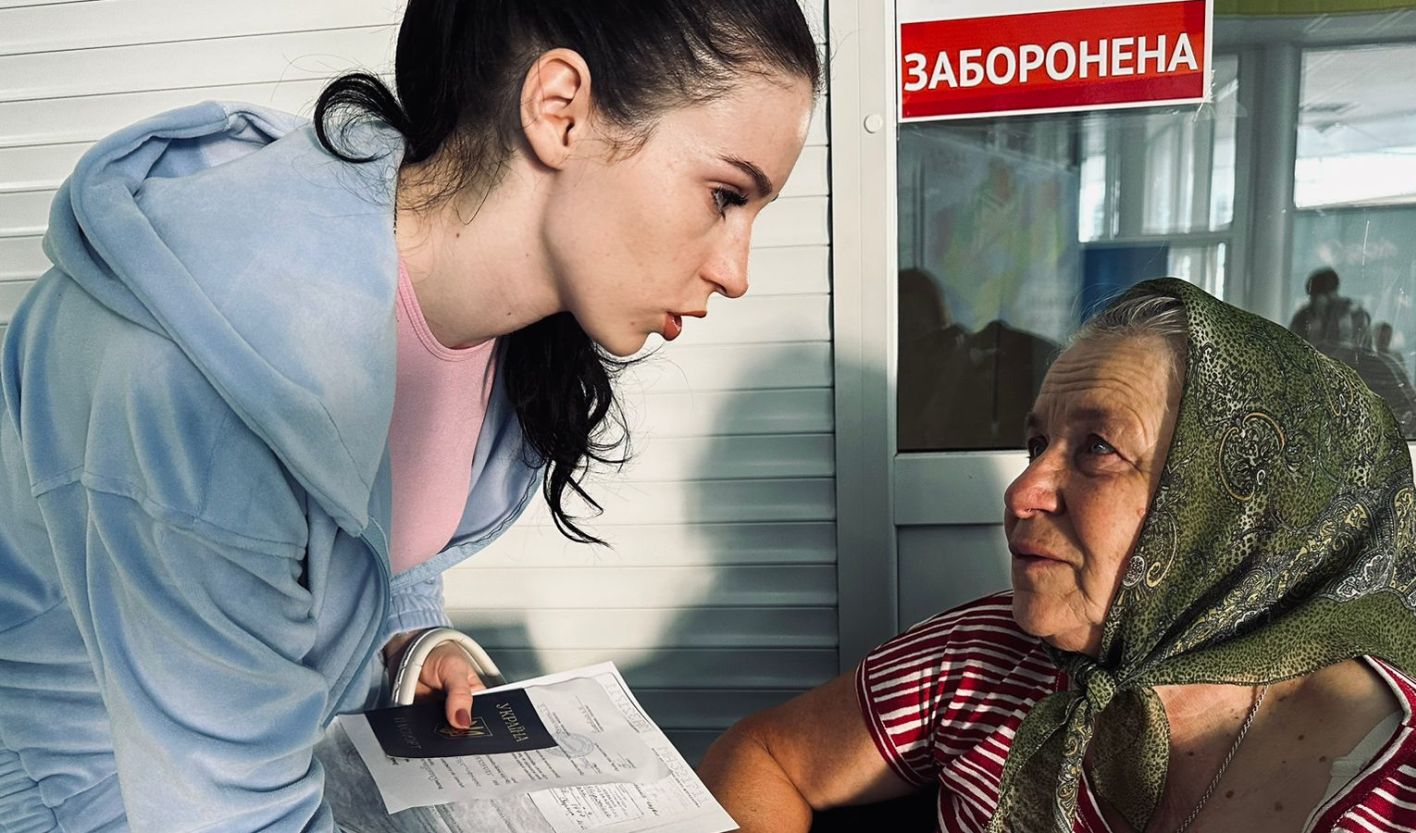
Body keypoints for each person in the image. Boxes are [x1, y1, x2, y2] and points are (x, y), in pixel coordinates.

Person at [0, 1, 818, 830]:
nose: (737, 270)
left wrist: (411, 635)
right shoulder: (186, 382)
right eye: (724, 195)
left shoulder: (486, 316)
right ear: (560, 109)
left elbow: (359, 501)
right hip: (85, 791)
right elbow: (219, 804)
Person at [699, 278, 1416, 832]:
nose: (1023, 490)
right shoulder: (995, 653)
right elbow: (763, 752)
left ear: (1238, 507)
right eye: (1038, 442)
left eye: (1097, 447)